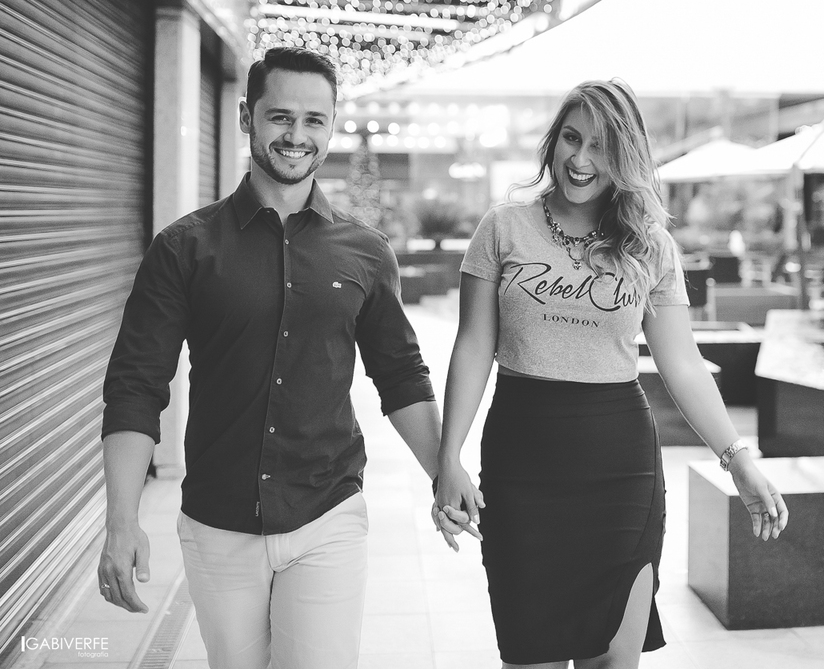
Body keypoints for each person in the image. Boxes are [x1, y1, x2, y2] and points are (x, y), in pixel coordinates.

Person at [98, 47, 444, 669]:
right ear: (246, 118)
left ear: (331, 126)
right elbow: (135, 385)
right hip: (218, 521)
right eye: (280, 116)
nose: (296, 135)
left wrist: (445, 473)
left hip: (327, 513)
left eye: (314, 120)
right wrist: (122, 521)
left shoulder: (366, 253)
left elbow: (400, 375)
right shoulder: (183, 249)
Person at [433, 79, 788, 669]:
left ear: (625, 155)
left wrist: (737, 458)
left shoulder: (649, 245)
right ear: (553, 142)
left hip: (621, 469)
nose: (581, 158)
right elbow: (473, 346)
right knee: (532, 657)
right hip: (522, 468)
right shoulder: (503, 228)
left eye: (600, 146)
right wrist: (449, 459)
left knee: (613, 662)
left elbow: (682, 363)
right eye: (572, 139)